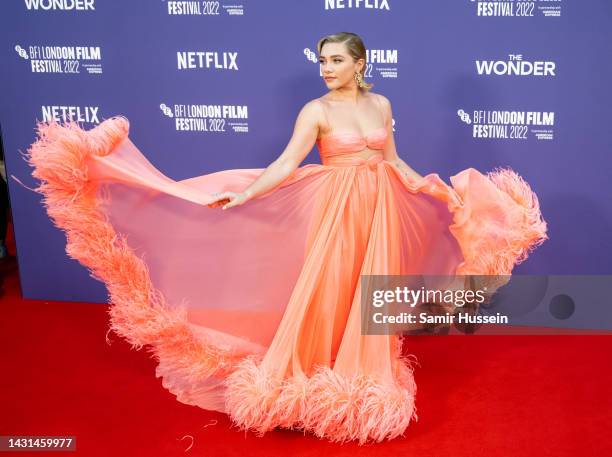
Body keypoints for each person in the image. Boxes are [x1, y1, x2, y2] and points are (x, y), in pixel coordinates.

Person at [17, 32, 548, 445]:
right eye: (322, 61)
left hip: (381, 203)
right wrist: (245, 197)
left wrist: (427, 188)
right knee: (332, 286)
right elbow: (286, 162)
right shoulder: (315, 111)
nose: (327, 68)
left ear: (360, 63)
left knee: (371, 289)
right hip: (336, 207)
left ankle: (359, 380)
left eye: (336, 60)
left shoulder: (381, 105)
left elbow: (391, 159)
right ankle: (308, 378)